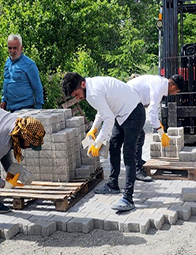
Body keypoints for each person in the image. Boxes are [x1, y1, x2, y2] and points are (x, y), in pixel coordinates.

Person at [62, 73, 145, 212]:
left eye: (76, 94)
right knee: (114, 147)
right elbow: (102, 111)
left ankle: (128, 198)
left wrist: (98, 142)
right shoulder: (91, 87)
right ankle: (113, 185)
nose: (77, 98)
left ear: (82, 84)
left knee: (128, 155)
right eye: (74, 97)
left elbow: (109, 119)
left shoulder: (92, 92)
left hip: (134, 114)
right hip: (122, 114)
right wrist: (94, 129)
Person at [127, 74, 185, 181]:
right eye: (176, 92)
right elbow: (152, 112)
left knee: (140, 135)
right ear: (173, 87)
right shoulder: (159, 87)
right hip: (128, 102)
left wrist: (159, 127)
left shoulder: (160, 84)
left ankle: (137, 161)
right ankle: (136, 170)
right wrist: (161, 132)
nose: (175, 94)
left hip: (132, 101)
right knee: (138, 136)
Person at [0, 34, 44, 111]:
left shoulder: (29, 64)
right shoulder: (8, 62)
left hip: (26, 109)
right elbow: (7, 81)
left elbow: (38, 88)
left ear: (21, 48)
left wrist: (38, 109)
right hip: (10, 109)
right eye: (10, 48)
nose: (12, 51)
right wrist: (3, 100)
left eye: (15, 48)